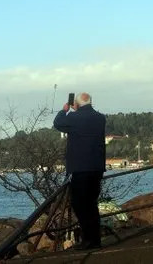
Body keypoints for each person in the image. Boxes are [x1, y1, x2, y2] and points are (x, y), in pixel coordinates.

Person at [53, 92, 106, 250]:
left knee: (79, 204)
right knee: (91, 203)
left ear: (76, 104)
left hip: (80, 168)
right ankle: (95, 240)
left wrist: (65, 110)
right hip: (97, 167)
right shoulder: (100, 118)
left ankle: (88, 240)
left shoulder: (74, 118)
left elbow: (58, 123)